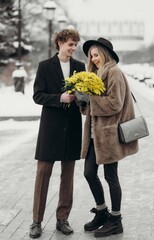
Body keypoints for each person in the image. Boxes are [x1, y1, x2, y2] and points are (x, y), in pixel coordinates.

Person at [29, 29, 85, 239]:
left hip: (72, 126)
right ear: (60, 42)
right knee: (42, 174)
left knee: (68, 176)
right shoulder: (44, 66)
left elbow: (83, 97)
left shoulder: (80, 67)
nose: (73, 48)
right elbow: (37, 95)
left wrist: (83, 99)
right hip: (50, 128)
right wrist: (58, 98)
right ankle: (36, 221)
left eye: (75, 44)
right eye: (71, 44)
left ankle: (62, 219)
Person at [80, 37, 139, 238]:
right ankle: (102, 211)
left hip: (108, 134)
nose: (94, 59)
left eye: (96, 55)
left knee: (110, 176)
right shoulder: (94, 73)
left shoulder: (114, 72)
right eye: (91, 56)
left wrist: (91, 99)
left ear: (105, 54)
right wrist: (82, 99)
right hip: (93, 134)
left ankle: (116, 219)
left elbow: (115, 103)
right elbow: (92, 106)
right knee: (89, 173)